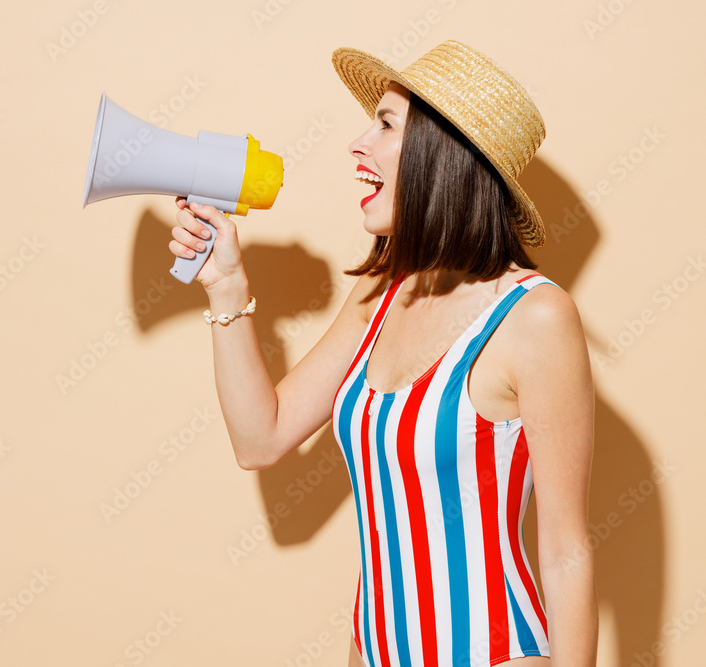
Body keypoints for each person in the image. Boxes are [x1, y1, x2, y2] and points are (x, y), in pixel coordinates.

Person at [169, 40, 596, 667]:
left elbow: (567, 551)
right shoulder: (378, 294)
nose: (356, 144)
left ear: (442, 156)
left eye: (385, 124)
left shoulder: (534, 316)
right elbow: (260, 439)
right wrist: (227, 283)